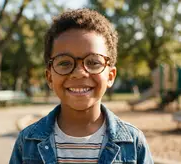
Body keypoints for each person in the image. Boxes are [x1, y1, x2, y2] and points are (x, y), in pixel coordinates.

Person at [9, 8, 153, 164]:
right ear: (49, 77)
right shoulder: (27, 143)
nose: (79, 73)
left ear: (110, 76)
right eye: (64, 62)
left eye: (93, 62)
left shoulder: (134, 143)